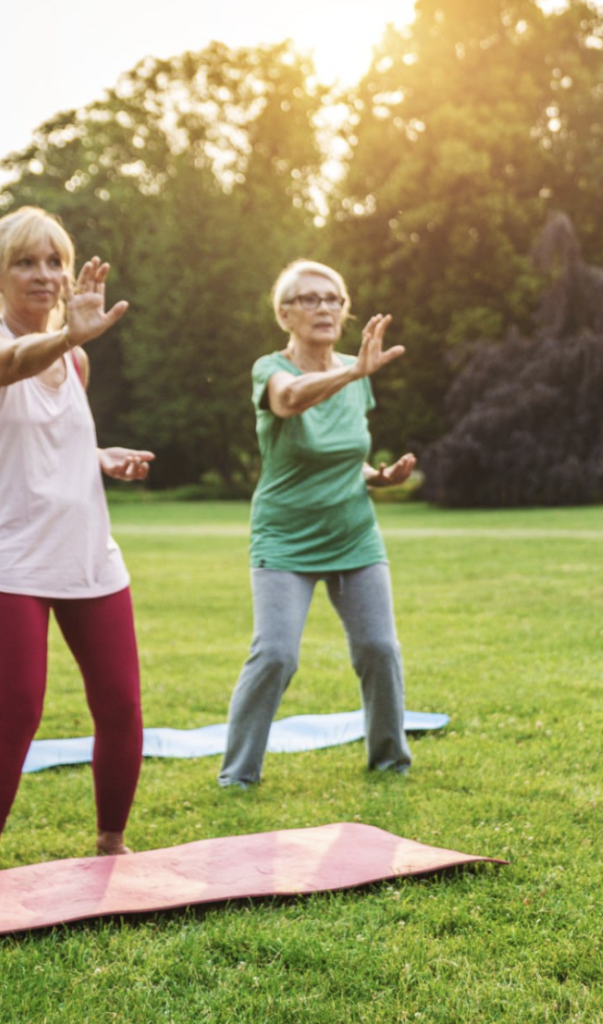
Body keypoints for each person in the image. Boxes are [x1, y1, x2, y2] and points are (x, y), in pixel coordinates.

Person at [0, 206, 154, 872]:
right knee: (16, 713)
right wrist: (69, 333)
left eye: (54, 261)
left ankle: (112, 846)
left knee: (122, 706)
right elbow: (11, 367)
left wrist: (100, 457)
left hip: (88, 554)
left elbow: (50, 439)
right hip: (5, 562)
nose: (44, 274)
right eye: (26, 262)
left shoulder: (76, 362)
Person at [218, 259, 417, 788]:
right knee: (277, 655)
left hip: (354, 531)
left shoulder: (358, 371)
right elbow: (287, 402)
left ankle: (390, 760)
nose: (324, 307)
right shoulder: (272, 368)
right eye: (309, 299)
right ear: (285, 314)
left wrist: (378, 476)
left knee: (380, 649)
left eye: (333, 298)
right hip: (284, 536)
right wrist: (351, 373)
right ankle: (238, 775)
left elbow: (345, 454)